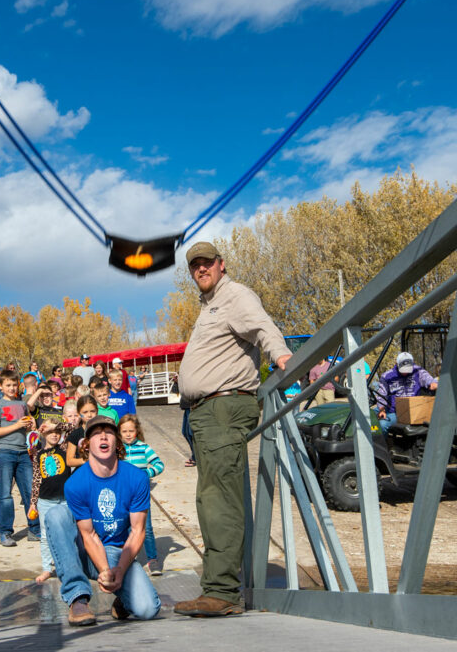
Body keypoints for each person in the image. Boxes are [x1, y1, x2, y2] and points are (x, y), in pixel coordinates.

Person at [174, 241, 291, 617]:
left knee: (220, 499)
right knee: (211, 499)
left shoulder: (234, 295)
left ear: (222, 265)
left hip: (223, 406)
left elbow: (262, 327)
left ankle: (222, 591)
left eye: (207, 263)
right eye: (195, 266)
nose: (201, 270)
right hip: (207, 411)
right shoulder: (209, 305)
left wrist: (283, 356)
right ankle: (218, 585)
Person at [43, 415, 161, 626]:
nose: (103, 436)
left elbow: (137, 531)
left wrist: (120, 570)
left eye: (108, 432)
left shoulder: (137, 478)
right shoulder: (75, 483)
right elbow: (88, 535)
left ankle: (123, 600)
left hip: (118, 552)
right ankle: (77, 598)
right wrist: (105, 570)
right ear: (86, 444)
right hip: (86, 551)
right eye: (96, 433)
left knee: (148, 609)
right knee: (56, 515)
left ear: (117, 441)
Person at [0, 369, 41, 546]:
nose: (11, 388)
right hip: (5, 452)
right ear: (1, 386)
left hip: (23, 452)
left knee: (29, 493)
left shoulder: (22, 404)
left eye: (13, 385)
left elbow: (26, 428)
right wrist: (16, 425)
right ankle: (5, 532)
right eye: (8, 385)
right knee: (5, 495)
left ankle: (34, 529)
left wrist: (31, 426)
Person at [28, 419, 74, 583]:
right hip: (45, 500)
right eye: (50, 432)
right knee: (46, 536)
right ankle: (47, 568)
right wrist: (33, 502)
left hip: (65, 499)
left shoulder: (64, 448)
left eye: (57, 432)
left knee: (69, 533)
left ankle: (70, 565)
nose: (54, 435)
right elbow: (36, 479)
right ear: (43, 434)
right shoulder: (37, 453)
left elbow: (73, 429)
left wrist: (56, 426)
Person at [119, 414, 164, 575]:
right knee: (126, 527)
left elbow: (159, 464)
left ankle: (153, 559)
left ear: (137, 431)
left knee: (147, 527)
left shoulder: (144, 448)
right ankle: (128, 558)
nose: (128, 434)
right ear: (119, 432)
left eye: (131, 431)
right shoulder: (118, 450)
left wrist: (147, 473)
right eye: (124, 431)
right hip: (123, 495)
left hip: (141, 495)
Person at [374, 351, 438, 431]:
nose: (405, 372)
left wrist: (433, 384)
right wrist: (382, 410)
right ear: (397, 364)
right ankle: (385, 442)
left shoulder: (418, 371)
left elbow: (429, 380)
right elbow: (381, 395)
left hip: (415, 411)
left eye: (408, 369)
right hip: (397, 412)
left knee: (382, 424)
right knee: (377, 422)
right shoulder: (387, 376)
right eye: (403, 369)